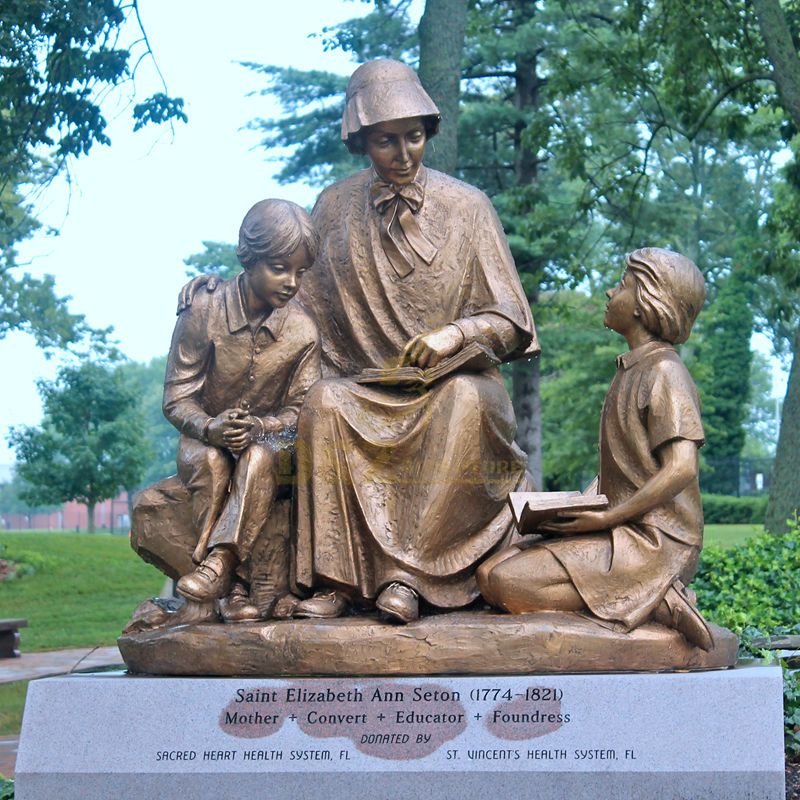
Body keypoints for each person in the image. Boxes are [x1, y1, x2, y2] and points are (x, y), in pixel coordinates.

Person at [287, 59, 539, 623]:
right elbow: (294, 298)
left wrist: (457, 334)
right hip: (367, 386)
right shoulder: (333, 207)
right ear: (360, 141)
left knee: (462, 401)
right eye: (385, 141)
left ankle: (409, 576)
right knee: (324, 404)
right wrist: (225, 290)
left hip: (456, 386)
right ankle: (338, 580)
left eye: (414, 137)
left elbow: (513, 321)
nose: (403, 155)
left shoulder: (468, 206)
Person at [477, 247, 713, 650]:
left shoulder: (665, 373)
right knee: (487, 573)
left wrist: (607, 519)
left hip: (656, 541)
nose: (609, 292)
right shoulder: (632, 368)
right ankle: (635, 596)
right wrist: (576, 508)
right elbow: (624, 470)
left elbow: (681, 468)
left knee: (505, 582)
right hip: (620, 527)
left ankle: (655, 599)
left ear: (645, 303)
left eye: (622, 284)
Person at [165, 198, 320, 622]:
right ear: (248, 260)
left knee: (258, 459)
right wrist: (211, 427)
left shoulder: (303, 330)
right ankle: (232, 592)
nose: (291, 282)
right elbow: (176, 398)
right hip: (204, 439)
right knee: (214, 465)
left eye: (300, 272)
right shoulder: (204, 310)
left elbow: (301, 410)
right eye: (279, 268)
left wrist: (260, 427)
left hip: (273, 446)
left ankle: (222, 566)